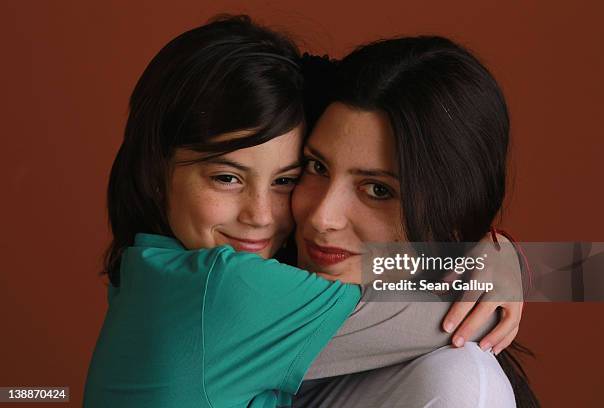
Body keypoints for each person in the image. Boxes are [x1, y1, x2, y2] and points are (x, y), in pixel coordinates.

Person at [84, 15, 528, 408]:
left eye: (284, 179)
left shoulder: (156, 269)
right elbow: (462, 316)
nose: (318, 218)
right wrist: (497, 260)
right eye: (226, 178)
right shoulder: (226, 289)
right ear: (155, 172)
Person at [291, 37, 539, 407]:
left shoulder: (453, 391)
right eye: (317, 167)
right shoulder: (235, 270)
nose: (321, 217)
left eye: (377, 190)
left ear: (452, 216)